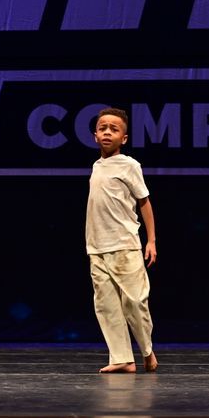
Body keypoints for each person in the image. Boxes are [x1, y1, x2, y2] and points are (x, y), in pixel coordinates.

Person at [85, 107, 158, 374]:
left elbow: (144, 202)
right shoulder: (97, 166)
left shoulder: (129, 165)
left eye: (113, 129)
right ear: (95, 135)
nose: (107, 132)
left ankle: (147, 351)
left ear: (123, 138)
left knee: (135, 301)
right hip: (97, 246)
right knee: (106, 305)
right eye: (102, 128)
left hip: (125, 243)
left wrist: (151, 241)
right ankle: (122, 358)